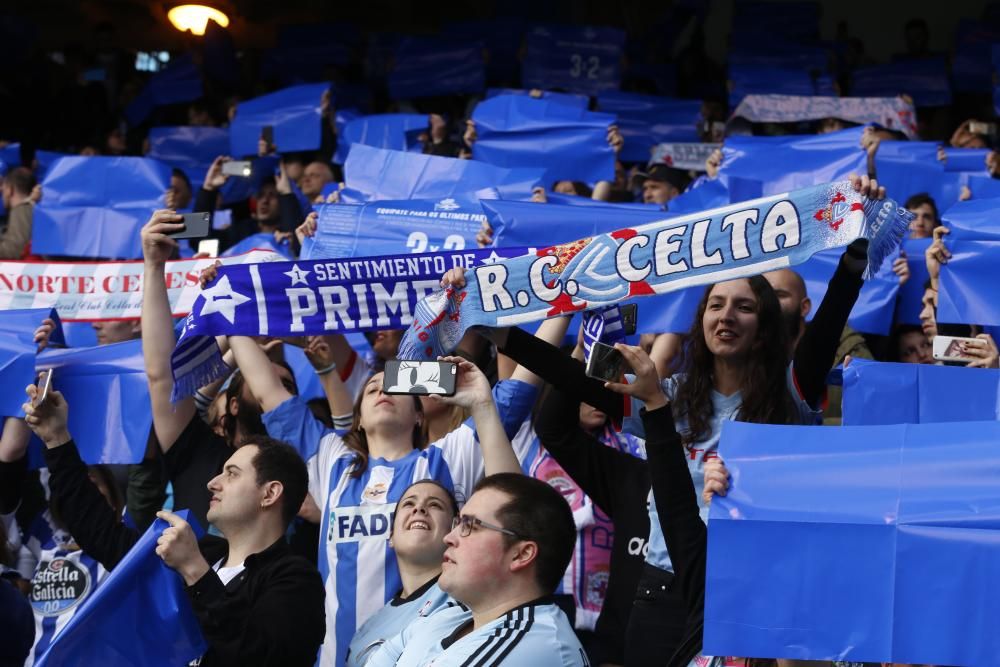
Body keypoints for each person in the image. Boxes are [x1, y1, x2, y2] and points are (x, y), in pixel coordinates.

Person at [447, 174, 887, 663]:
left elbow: (826, 328)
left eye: (744, 308)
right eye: (715, 305)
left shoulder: (793, 391)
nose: (727, 317)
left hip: (755, 590)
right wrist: (495, 333)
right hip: (660, 591)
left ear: (764, 329)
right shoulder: (669, 395)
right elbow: (577, 384)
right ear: (699, 320)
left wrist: (854, 248)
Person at [231, 323, 550, 666]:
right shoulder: (331, 462)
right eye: (371, 389)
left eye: (395, 387)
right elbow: (267, 391)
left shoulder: (446, 458)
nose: (382, 391)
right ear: (359, 421)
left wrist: (563, 304)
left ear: (417, 415)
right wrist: (227, 314)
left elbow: (514, 393)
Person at [22, 386, 326, 667]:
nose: (213, 483)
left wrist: (195, 571)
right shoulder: (199, 552)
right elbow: (101, 534)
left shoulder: (296, 580)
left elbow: (258, 657)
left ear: (270, 493)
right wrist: (56, 439)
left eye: (231, 474)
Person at [365, 473, 587, 666]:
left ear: (521, 555)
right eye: (457, 524)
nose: (448, 538)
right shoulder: (450, 617)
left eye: (470, 526)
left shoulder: (533, 645)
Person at [345, 480, 457, 666]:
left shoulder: (466, 598)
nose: (419, 508)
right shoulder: (365, 631)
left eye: (435, 505)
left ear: (454, 530)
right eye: (409, 503)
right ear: (391, 537)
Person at [0, 166, 36, 259]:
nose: (2, 195)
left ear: (9, 190)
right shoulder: (32, 209)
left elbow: (15, 249)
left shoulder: (22, 210)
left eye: (3, 189)